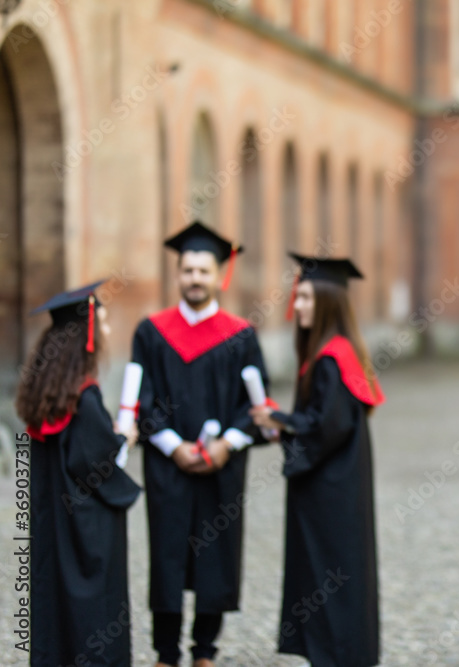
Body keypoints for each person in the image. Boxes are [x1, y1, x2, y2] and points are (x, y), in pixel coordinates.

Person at [131, 222, 269, 667]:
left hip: (221, 467)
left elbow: (257, 404)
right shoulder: (151, 333)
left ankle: (205, 651)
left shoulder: (241, 336)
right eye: (187, 270)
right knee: (167, 552)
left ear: (219, 276)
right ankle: (166, 653)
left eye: (203, 271)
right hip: (168, 465)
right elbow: (142, 398)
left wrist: (227, 443)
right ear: (177, 275)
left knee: (216, 553)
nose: (195, 279)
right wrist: (173, 446)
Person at [250, 254, 382, 666]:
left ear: (326, 301)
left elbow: (327, 427)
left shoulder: (330, 358)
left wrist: (280, 420)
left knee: (328, 576)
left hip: (329, 493)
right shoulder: (339, 352)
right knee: (333, 574)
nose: (298, 305)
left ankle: (334, 655)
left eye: (306, 297)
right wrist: (283, 424)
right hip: (339, 489)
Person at [16, 280, 141, 666]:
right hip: (88, 531)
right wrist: (123, 439)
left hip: (54, 524)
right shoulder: (84, 398)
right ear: (85, 333)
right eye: (100, 323)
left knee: (55, 598)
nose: (104, 332)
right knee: (94, 610)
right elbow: (98, 465)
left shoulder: (44, 393)